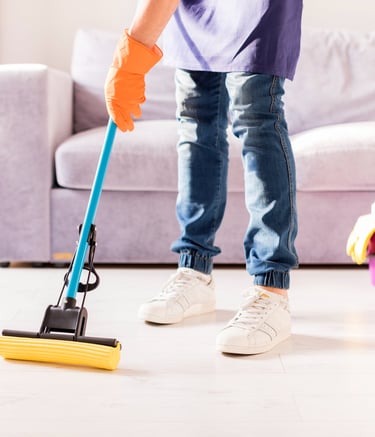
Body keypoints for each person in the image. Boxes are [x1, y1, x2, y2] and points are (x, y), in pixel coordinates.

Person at [105, 0, 302, 355]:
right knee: (196, 120)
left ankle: (271, 288)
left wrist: (133, 52)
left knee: (255, 113)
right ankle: (194, 269)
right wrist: (131, 54)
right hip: (196, 13)